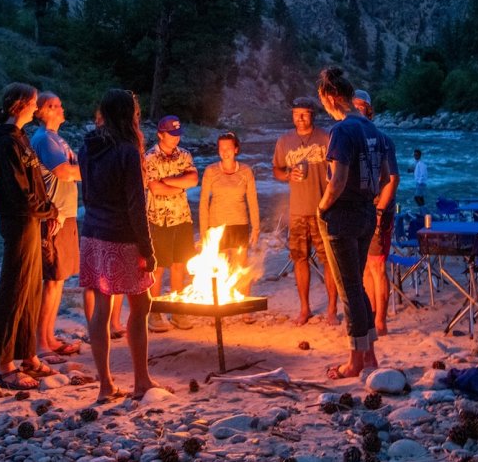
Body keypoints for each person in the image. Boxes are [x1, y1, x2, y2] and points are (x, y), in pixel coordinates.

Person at [78, 88, 165, 403]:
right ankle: (141, 380)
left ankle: (105, 385)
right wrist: (148, 249)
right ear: (130, 115)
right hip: (122, 236)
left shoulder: (87, 147)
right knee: (141, 306)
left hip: (92, 233)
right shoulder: (128, 150)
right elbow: (136, 205)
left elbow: (86, 195)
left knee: (101, 308)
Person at [0, 83, 58, 390]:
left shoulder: (21, 138)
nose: (37, 107)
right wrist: (45, 210)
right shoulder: (6, 143)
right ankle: (4, 365)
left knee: (31, 289)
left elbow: (34, 183)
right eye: (34, 102)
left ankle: (28, 355)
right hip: (19, 222)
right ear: (21, 105)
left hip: (32, 220)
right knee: (14, 290)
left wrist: (48, 210)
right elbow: (17, 192)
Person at [316, 68, 388, 379]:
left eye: (323, 100)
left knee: (349, 290)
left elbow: (338, 179)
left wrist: (322, 207)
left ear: (332, 97)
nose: (324, 107)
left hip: (343, 216)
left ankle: (354, 361)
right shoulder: (373, 130)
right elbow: (383, 175)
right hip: (366, 213)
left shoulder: (342, 130)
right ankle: (369, 355)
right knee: (357, 286)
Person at [273, 96, 339, 326]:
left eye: (304, 114)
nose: (299, 118)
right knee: (299, 259)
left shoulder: (326, 138)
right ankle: (304, 309)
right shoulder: (284, 141)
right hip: (297, 211)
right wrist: (287, 175)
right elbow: (277, 169)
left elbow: (339, 170)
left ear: (312, 115)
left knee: (329, 260)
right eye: (296, 114)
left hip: (323, 210)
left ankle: (332, 309)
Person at [29, 92, 84, 360]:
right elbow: (64, 171)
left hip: (65, 213)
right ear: (40, 112)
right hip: (55, 216)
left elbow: (73, 170)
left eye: (60, 104)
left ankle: (49, 337)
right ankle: (40, 342)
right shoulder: (44, 139)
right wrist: (94, 170)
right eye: (52, 106)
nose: (60, 109)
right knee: (51, 280)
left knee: (58, 279)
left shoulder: (55, 138)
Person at [143, 114, 199, 332]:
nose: (176, 138)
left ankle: (177, 310)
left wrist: (168, 181)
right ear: (160, 134)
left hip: (182, 217)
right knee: (158, 267)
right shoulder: (150, 157)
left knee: (179, 264)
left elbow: (193, 179)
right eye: (172, 134)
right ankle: (154, 312)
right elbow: (155, 189)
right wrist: (179, 184)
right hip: (158, 219)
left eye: (178, 134)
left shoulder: (184, 155)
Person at [351, 90, 399, 335]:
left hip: (378, 210)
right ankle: (370, 315)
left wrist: (379, 212)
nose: (357, 110)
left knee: (377, 266)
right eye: (353, 106)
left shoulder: (382, 139)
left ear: (369, 110)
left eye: (361, 106)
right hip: (358, 210)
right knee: (365, 267)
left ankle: (381, 321)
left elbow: (392, 179)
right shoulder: (349, 139)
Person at [198, 132, 261, 285]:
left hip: (240, 225)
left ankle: (243, 301)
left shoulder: (246, 171)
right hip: (216, 227)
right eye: (221, 148)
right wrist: (203, 231)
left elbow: (252, 201)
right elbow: (203, 202)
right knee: (220, 272)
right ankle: (222, 300)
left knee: (240, 270)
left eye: (228, 148)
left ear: (236, 149)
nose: (225, 152)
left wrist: (256, 228)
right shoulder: (211, 171)